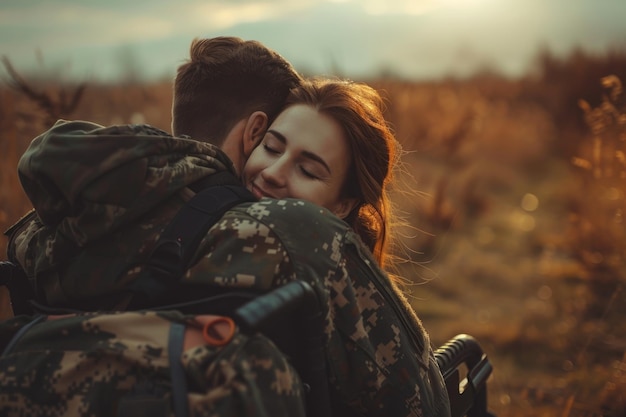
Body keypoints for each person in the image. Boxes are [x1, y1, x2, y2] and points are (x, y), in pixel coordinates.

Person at [4, 41, 450, 416]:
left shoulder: (55, 222)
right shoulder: (299, 235)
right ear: (255, 132)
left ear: (346, 203)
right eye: (271, 145)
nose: (274, 173)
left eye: (309, 170)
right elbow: (420, 400)